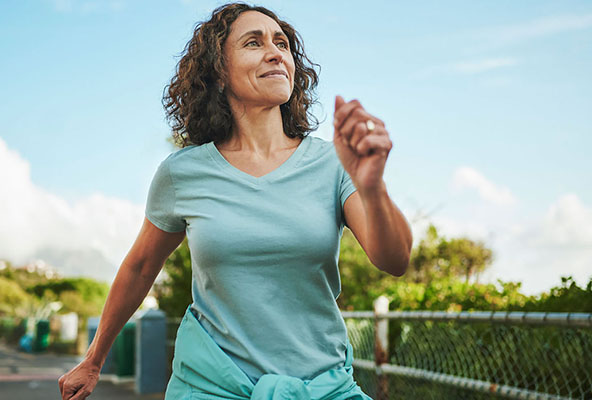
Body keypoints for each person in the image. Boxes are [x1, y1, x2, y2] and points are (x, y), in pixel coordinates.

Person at [58, 3, 412, 399]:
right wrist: (93, 360)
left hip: (322, 387)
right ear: (219, 72)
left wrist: (373, 187)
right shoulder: (182, 173)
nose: (276, 52)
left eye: (281, 43)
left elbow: (394, 260)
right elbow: (141, 266)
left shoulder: (332, 163)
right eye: (253, 42)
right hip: (211, 386)